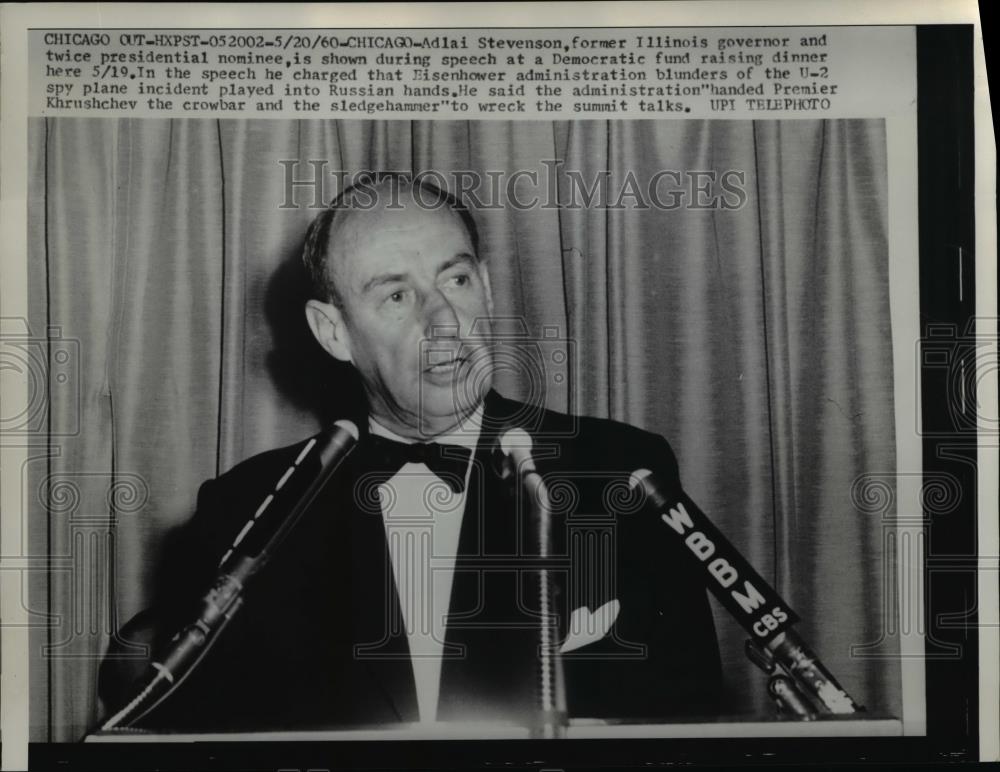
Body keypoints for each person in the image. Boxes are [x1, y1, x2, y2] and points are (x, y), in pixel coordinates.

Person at [99, 175, 723, 732]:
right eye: (396, 296)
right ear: (333, 332)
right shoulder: (246, 510)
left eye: (454, 279)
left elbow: (693, 723)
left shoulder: (619, 468)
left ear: (486, 286)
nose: (444, 319)